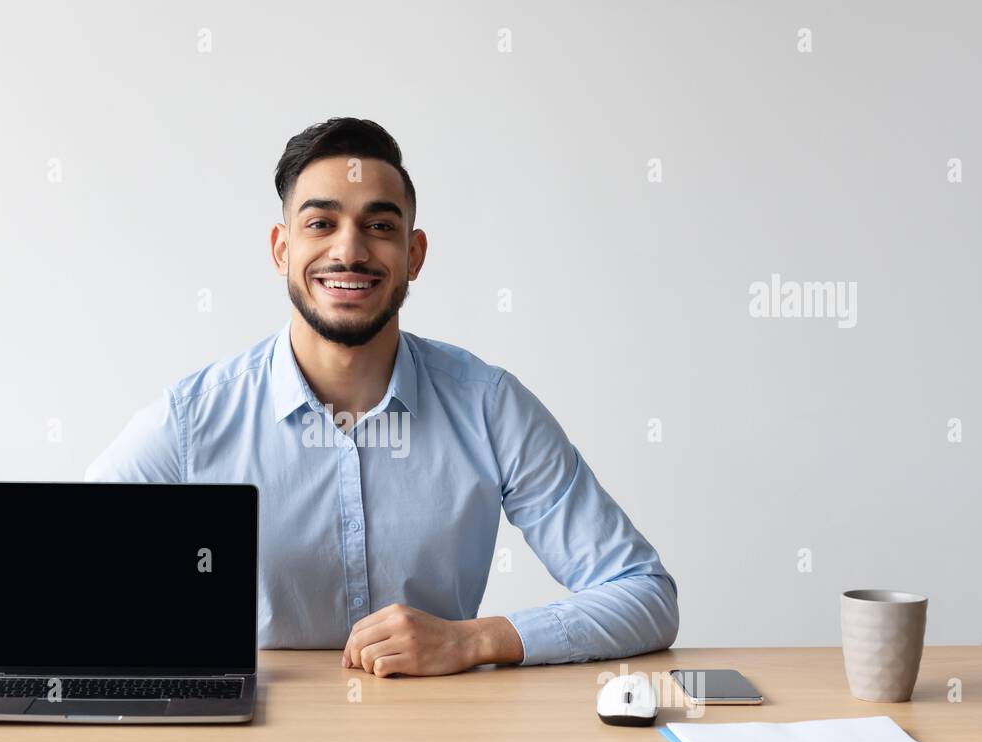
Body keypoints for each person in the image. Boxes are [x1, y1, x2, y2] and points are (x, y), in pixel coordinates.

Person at [87, 117, 678, 678]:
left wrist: (471, 640)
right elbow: (64, 576)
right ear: (281, 249)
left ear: (414, 255)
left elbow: (643, 593)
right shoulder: (192, 421)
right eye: (320, 223)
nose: (350, 252)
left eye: (379, 225)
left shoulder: (489, 406)